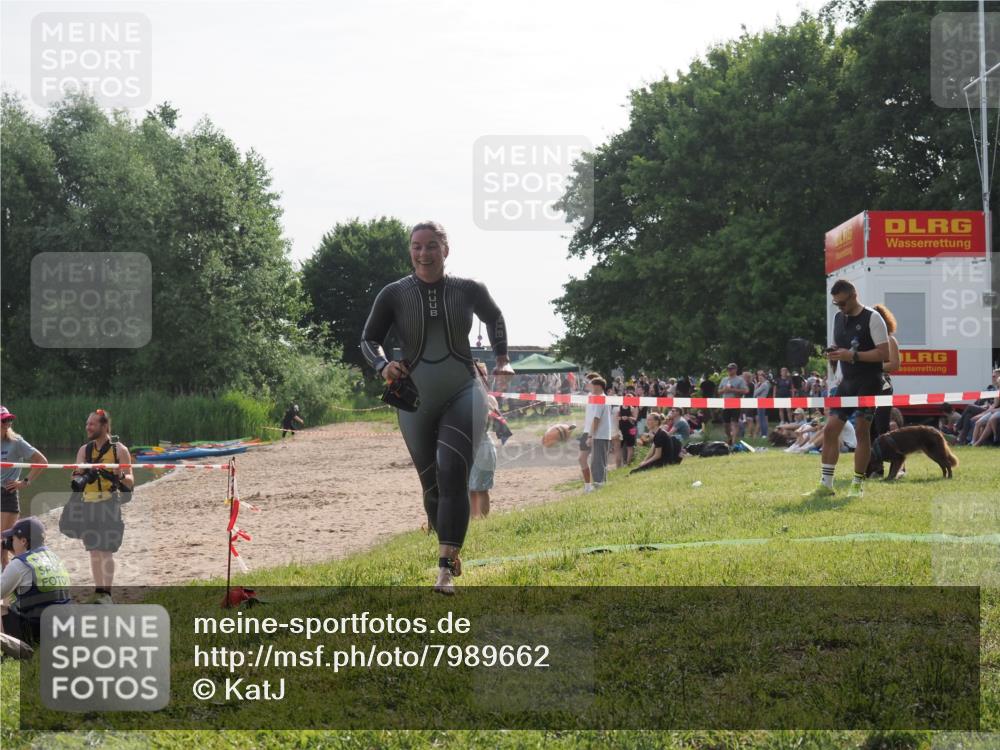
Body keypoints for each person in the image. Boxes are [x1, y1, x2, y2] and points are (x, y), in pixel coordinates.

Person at [360, 221, 508, 595]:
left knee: (453, 472)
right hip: (416, 398)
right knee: (432, 488)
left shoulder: (468, 289)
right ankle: (446, 539)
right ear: (410, 251)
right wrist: (383, 366)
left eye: (431, 246)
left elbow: (494, 317)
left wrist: (502, 359)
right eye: (416, 246)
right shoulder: (394, 293)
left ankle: (445, 568)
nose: (423, 253)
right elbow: (369, 339)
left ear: (446, 249)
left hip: (464, 390)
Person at [803, 280, 889, 499]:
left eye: (842, 303)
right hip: (847, 382)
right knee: (830, 430)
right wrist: (833, 353)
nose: (840, 307)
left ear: (853, 296)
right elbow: (841, 347)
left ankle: (857, 484)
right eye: (836, 303)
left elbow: (884, 354)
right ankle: (826, 485)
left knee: (861, 431)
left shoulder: (873, 318)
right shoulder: (837, 318)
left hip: (869, 382)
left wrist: (853, 355)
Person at [63, 409, 134, 604]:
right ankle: (98, 591)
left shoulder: (120, 450)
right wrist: (82, 474)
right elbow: (74, 476)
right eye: (87, 424)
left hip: (108, 502)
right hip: (87, 504)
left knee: (106, 550)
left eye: (92, 424)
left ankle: (107, 595)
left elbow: (130, 481)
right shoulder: (84, 450)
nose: (88, 427)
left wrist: (119, 475)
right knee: (94, 551)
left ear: (104, 426)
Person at [1, 517, 70, 644]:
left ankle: (12, 649)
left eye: (13, 539)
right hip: (64, 626)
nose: (11, 542)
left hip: (38, 631)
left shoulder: (18, 565)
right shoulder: (54, 558)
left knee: (1, 609)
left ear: (23, 541)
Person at [1, 407, 47, 568]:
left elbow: (42, 461)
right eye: (3, 420)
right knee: (5, 546)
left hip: (7, 494)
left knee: (4, 544)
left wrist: (24, 482)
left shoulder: (16, 442)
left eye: (9, 419)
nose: (7, 423)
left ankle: (40, 567)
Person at [868, 303, 902, 478]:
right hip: (867, 387)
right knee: (868, 428)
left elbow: (895, 364)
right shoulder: (867, 341)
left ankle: (898, 464)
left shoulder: (890, 340)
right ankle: (875, 467)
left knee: (882, 427)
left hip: (883, 387)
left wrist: (874, 366)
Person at [469, 362, 499, 519]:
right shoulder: (467, 397)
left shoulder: (489, 398)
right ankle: (473, 522)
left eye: (483, 374)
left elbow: (494, 423)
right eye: (478, 373)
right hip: (470, 447)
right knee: (470, 489)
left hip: (482, 448)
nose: (482, 377)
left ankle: (483, 522)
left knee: (481, 489)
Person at [584, 377, 614, 491]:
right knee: (599, 461)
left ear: (598, 386)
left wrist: (590, 436)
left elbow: (596, 419)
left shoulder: (600, 399)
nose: (590, 388)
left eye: (592, 385)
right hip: (602, 434)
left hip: (600, 435)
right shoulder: (602, 398)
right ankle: (601, 485)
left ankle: (599, 485)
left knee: (597, 462)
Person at [718, 363, 748, 446]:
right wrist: (724, 390)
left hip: (735, 403)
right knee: (726, 424)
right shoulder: (724, 379)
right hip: (726, 404)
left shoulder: (740, 380)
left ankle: (733, 443)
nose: (729, 370)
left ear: (735, 370)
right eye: (728, 369)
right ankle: (729, 438)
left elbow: (746, 390)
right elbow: (719, 391)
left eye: (731, 369)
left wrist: (733, 390)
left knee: (735, 423)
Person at [618, 386, 638, 466]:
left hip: (631, 428)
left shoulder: (633, 408)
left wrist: (628, 417)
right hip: (622, 428)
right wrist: (621, 418)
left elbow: (635, 419)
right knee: (620, 446)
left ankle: (628, 463)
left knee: (630, 446)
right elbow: (617, 417)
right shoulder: (620, 407)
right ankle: (622, 462)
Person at [753, 371, 771, 439]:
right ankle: (763, 433)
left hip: (761, 402)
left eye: (760, 377)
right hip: (761, 402)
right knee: (761, 418)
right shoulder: (765, 384)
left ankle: (764, 434)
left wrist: (756, 386)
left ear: (764, 377)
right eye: (758, 378)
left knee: (762, 419)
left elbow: (755, 394)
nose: (759, 379)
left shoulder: (764, 385)